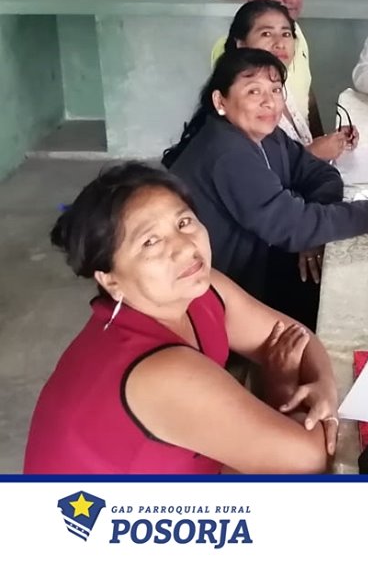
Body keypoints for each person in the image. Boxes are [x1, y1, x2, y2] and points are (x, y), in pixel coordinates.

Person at [24, 163, 341, 473]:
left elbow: (295, 335)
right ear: (110, 280)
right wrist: (283, 387)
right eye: (150, 242)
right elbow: (308, 460)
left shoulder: (198, 288)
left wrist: (324, 384)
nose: (185, 248)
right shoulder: (160, 372)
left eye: (184, 222)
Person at [163, 48, 368, 330]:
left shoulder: (269, 136)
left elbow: (321, 175)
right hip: (219, 293)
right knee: (349, 303)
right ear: (220, 100)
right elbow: (293, 225)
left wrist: (308, 232)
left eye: (275, 90)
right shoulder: (227, 153)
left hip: (260, 260)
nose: (269, 102)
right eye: (253, 92)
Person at [224, 0, 357, 162]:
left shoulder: (280, 86)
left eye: (286, 34)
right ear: (241, 44)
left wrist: (334, 141)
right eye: (266, 34)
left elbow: (295, 148)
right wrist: (313, 154)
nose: (280, 43)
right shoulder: (239, 100)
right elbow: (255, 169)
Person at [211, 0, 323, 135]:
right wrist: (313, 150)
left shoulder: (295, 32)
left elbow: (305, 93)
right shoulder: (231, 49)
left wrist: (320, 137)